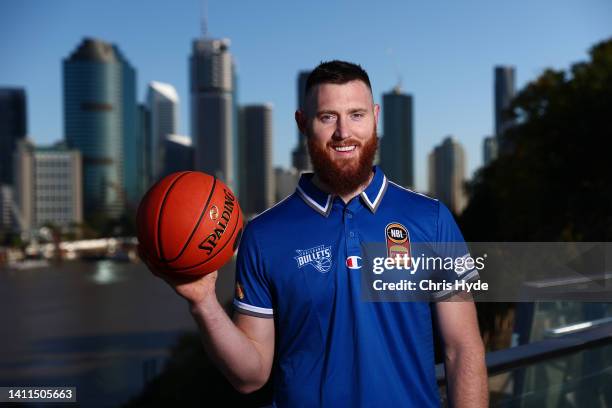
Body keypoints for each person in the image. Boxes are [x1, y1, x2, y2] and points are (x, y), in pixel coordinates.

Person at [146, 60, 488, 407]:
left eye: (356, 114)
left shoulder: (431, 219)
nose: (344, 132)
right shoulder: (264, 236)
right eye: (327, 117)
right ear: (302, 123)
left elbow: (463, 348)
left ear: (375, 116)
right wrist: (204, 303)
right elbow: (251, 376)